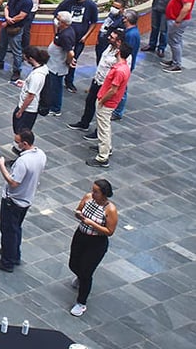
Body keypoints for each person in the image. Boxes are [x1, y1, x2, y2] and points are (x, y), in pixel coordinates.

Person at [0, 129, 46, 273]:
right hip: (27, 198)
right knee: (16, 228)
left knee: (8, 230)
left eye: (17, 142)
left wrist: (1, 165)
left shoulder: (23, 161)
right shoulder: (41, 155)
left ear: (25, 143)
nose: (15, 144)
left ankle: (7, 261)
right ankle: (14, 254)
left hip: (14, 200)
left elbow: (13, 182)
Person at [68, 179, 118, 317]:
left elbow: (109, 231)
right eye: (93, 190)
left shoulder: (110, 210)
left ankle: (81, 302)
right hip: (81, 235)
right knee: (73, 263)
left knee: (86, 271)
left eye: (96, 191)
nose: (93, 193)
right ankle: (80, 277)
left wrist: (91, 223)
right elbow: (78, 210)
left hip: (96, 242)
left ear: (104, 194)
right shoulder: (88, 198)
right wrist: (79, 214)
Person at [68, 27, 123, 133]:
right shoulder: (109, 47)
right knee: (89, 102)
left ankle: (99, 132)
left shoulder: (122, 55)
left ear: (118, 41)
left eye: (112, 37)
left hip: (106, 85)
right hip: (97, 80)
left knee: (101, 109)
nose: (108, 38)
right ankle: (84, 123)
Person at [87, 43, 132, 169]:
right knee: (105, 126)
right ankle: (106, 147)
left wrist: (102, 100)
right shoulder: (124, 67)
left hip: (107, 102)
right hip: (110, 102)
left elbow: (113, 90)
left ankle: (103, 157)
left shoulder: (118, 70)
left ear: (118, 52)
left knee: (103, 128)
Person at [55, 0, 99, 93]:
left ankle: (69, 81)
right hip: (65, 38)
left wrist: (86, 36)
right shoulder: (68, 1)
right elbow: (56, 15)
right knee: (60, 57)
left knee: (73, 60)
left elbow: (93, 22)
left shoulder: (91, 5)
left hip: (79, 39)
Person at [161, 0, 194, 73]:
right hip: (174, 19)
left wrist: (178, 20)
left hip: (177, 21)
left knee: (174, 41)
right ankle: (175, 60)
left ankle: (176, 64)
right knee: (175, 41)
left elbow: (187, 7)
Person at [45, 10, 77, 116]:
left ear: (63, 22)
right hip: (53, 63)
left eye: (58, 19)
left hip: (57, 66)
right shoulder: (62, 30)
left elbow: (71, 53)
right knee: (52, 85)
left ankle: (55, 108)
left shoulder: (66, 35)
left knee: (56, 87)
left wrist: (68, 62)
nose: (56, 20)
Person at [112, 9, 140, 119]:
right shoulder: (131, 31)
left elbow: (127, 51)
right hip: (124, 64)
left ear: (126, 19)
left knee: (122, 87)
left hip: (125, 65)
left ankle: (118, 112)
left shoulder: (131, 34)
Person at [14, 47, 48, 134]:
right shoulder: (42, 68)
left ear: (31, 59)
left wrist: (20, 111)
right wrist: (25, 84)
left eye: (26, 59)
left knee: (20, 132)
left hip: (28, 110)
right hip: (26, 109)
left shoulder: (37, 76)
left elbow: (30, 96)